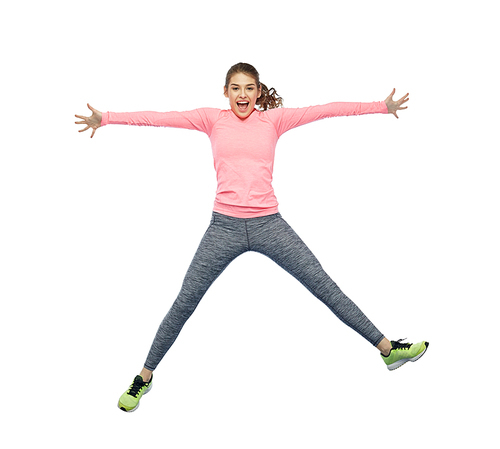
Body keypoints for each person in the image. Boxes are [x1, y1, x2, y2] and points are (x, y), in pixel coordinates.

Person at [76, 62, 428, 413]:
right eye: (235, 88)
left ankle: (388, 350)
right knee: (184, 302)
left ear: (258, 92)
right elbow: (159, 117)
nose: (242, 95)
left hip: (269, 225)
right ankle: (144, 377)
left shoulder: (273, 121)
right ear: (225, 92)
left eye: (249, 88)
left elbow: (327, 110)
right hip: (223, 228)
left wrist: (381, 107)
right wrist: (105, 118)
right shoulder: (211, 119)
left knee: (325, 287)